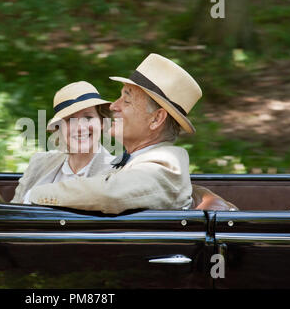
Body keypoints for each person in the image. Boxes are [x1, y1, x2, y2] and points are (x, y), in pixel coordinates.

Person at [28, 53, 203, 213]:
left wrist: (34, 196)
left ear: (156, 119)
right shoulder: (130, 160)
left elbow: (109, 194)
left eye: (126, 100)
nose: (113, 106)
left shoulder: (166, 164)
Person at [11, 81, 115, 204]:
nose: (80, 127)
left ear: (102, 122)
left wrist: (34, 196)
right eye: (69, 120)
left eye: (88, 117)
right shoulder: (39, 163)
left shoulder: (115, 171)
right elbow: (14, 210)